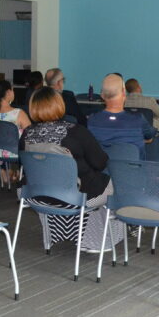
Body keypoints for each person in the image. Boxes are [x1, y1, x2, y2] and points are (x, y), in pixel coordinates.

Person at [19, 86, 124, 253]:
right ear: (60, 105)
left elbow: (24, 164)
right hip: (74, 198)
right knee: (114, 185)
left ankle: (64, 233)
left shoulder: (27, 134)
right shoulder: (77, 132)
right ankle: (98, 238)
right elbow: (101, 162)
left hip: (38, 196)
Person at [87, 74, 153, 160]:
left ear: (102, 95)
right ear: (124, 93)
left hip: (103, 171)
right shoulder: (139, 120)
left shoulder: (91, 121)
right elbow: (149, 137)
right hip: (134, 171)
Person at [0, 79, 31, 182]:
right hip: (15, 153)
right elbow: (31, 134)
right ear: (8, 93)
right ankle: (25, 175)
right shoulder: (18, 113)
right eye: (12, 90)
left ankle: (4, 171)